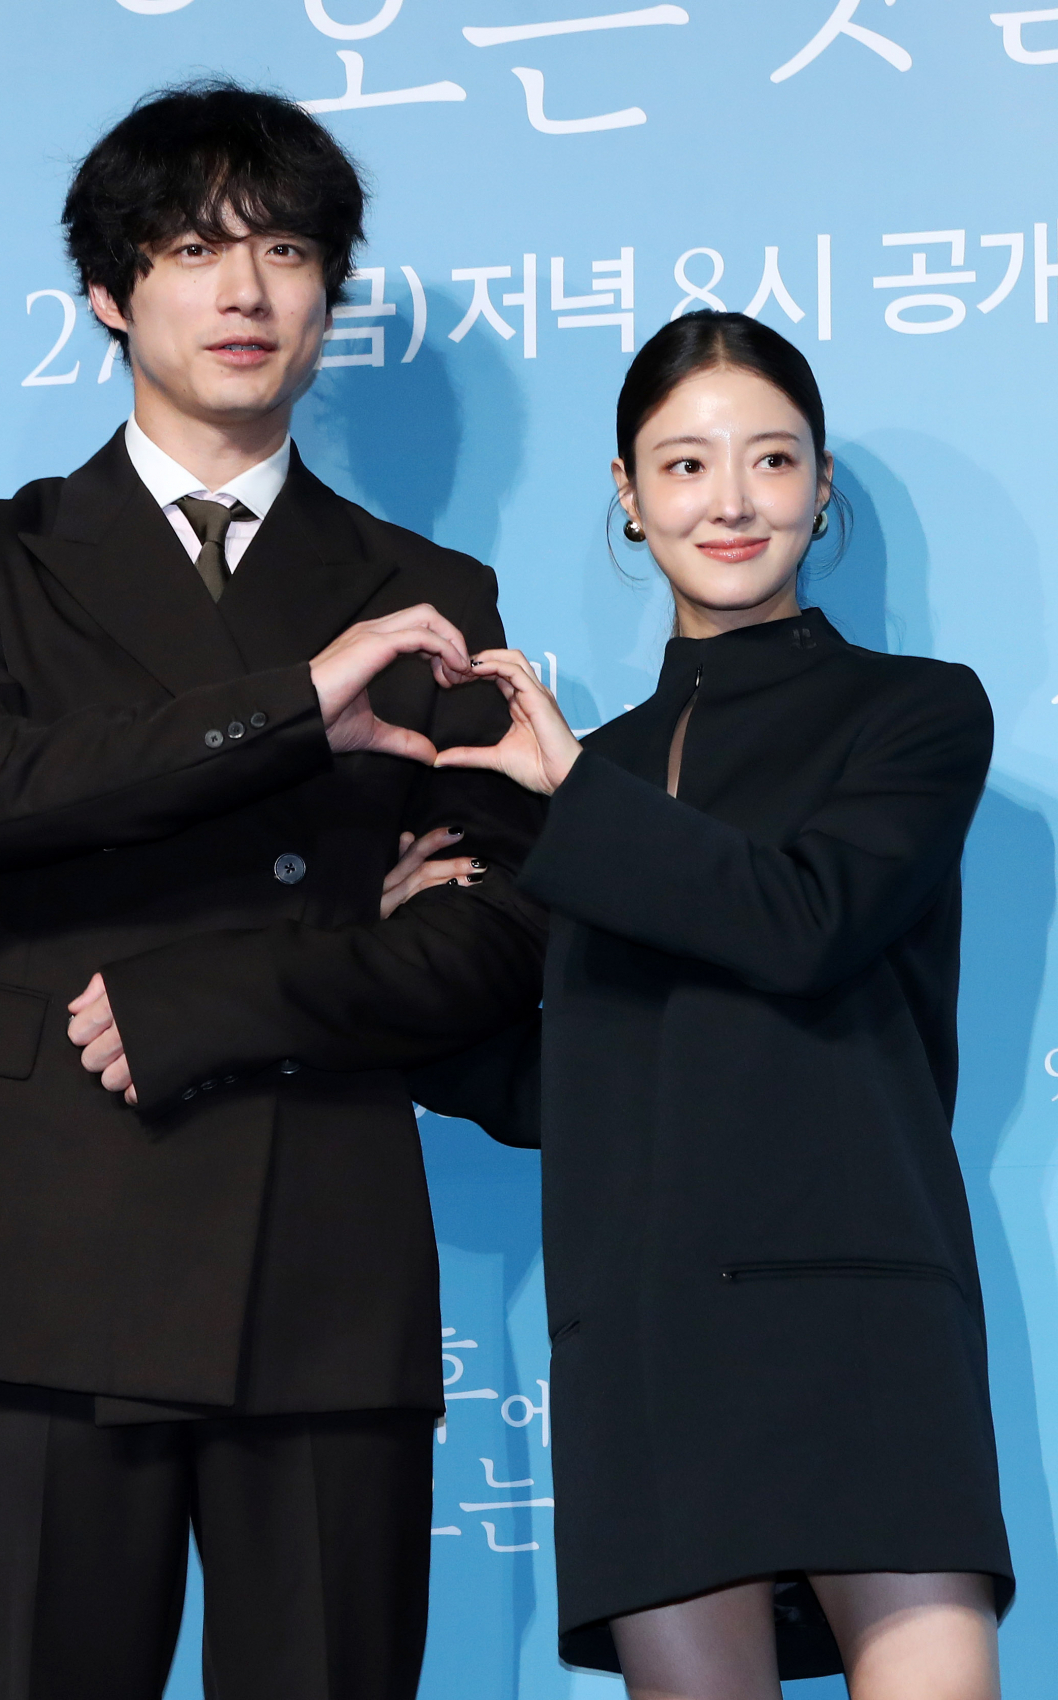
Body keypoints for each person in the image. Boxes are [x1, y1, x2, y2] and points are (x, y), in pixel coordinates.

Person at [0, 82, 545, 1700]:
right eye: (193, 248)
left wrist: (232, 989)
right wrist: (295, 706)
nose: (246, 292)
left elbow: (485, 928)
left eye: (287, 250)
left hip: (319, 1227)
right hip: (39, 1221)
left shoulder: (429, 594)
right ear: (110, 292)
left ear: (329, 297)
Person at [423, 312, 1013, 1700]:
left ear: (821, 489)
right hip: (647, 1327)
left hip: (857, 1302)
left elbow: (805, 923)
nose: (731, 501)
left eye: (771, 460)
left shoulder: (916, 716)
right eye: (684, 465)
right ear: (628, 497)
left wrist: (571, 804)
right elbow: (577, 1083)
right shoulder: (586, 774)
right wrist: (423, 975)